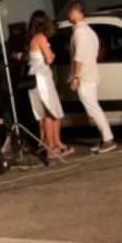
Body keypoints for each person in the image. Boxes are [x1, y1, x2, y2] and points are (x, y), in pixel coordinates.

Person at [67, 0, 118, 154]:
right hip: (91, 74)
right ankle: (105, 138)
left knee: (93, 110)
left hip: (85, 76)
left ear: (76, 12)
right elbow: (95, 52)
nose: (68, 15)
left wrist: (75, 77)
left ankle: (108, 139)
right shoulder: (89, 31)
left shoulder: (80, 32)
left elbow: (79, 57)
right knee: (94, 108)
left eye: (70, 12)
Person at [27, 10, 73, 157]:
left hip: (37, 78)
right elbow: (49, 59)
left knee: (50, 112)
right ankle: (52, 146)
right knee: (51, 112)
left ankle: (54, 144)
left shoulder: (33, 38)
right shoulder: (40, 37)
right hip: (42, 79)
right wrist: (52, 53)